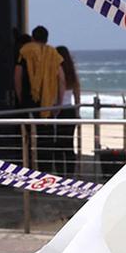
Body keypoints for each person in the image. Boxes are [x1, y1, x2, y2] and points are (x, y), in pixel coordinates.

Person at [16, 26, 64, 169]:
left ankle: (28, 170)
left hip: (28, 101)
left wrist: (20, 98)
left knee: (26, 140)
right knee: (45, 141)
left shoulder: (25, 51)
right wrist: (59, 103)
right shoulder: (53, 53)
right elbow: (61, 79)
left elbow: (17, 76)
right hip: (47, 103)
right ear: (47, 39)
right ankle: (45, 171)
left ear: (32, 37)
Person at [53, 46, 82, 175]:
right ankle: (70, 173)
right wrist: (77, 112)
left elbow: (60, 88)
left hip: (59, 110)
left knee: (58, 145)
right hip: (70, 110)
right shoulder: (72, 73)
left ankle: (61, 174)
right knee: (69, 144)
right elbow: (77, 94)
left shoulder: (56, 71)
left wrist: (57, 106)